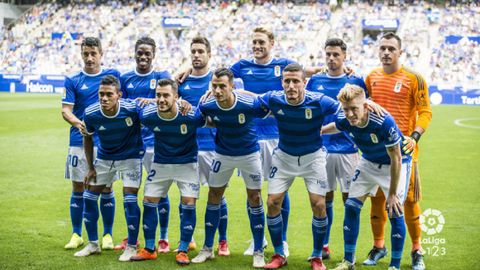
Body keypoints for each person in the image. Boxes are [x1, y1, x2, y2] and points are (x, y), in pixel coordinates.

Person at [253, 63, 339, 270]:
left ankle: (317, 256)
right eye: (287, 81)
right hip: (284, 158)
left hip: (313, 158)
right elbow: (249, 101)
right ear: (282, 83)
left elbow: (345, 109)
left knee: (318, 204)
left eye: (295, 81)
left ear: (304, 83)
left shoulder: (319, 101)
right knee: (273, 202)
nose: (290, 86)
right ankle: (279, 254)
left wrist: (369, 105)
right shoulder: (274, 98)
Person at [322, 84, 411, 270]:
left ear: (366, 106)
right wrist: (319, 131)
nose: (350, 114)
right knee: (352, 207)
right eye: (346, 109)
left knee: (395, 210)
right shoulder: (345, 117)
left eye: (354, 108)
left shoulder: (382, 121)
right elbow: (337, 126)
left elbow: (396, 156)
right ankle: (348, 261)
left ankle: (395, 265)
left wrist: (393, 194)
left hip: (395, 164)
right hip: (368, 162)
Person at [363, 32, 432, 270]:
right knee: (377, 200)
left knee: (409, 202)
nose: (386, 52)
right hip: (376, 150)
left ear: (400, 52)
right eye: (382, 48)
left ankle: (416, 250)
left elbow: (425, 112)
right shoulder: (370, 77)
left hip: (404, 151)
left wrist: (415, 137)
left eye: (391, 49)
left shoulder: (415, 78)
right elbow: (361, 103)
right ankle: (379, 246)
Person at [192, 68, 270, 268]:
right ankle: (208, 248)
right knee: (213, 195)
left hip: (249, 153)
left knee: (255, 197)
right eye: (214, 86)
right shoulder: (207, 104)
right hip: (223, 154)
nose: (217, 91)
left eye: (222, 86)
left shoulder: (248, 103)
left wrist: (249, 94)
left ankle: (259, 250)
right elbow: (205, 120)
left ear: (232, 87)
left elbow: (267, 108)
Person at [131, 78, 205, 265]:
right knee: (148, 201)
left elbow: (205, 119)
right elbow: (133, 107)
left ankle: (183, 250)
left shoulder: (190, 115)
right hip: (161, 163)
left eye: (166, 95)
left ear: (176, 97)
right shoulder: (148, 115)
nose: (161, 99)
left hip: (187, 164)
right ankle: (149, 248)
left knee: (188, 202)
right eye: (158, 95)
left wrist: (184, 104)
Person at [306, 37, 367, 260]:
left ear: (344, 56)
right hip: (321, 150)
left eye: (336, 55)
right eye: (328, 55)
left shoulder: (356, 81)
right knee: (325, 198)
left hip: (349, 150)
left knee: (349, 201)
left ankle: (348, 252)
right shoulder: (315, 81)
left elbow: (364, 112)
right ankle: (325, 245)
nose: (331, 59)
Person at [74, 75, 143, 262]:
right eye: (101, 94)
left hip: (130, 157)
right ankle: (93, 244)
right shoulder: (91, 113)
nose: (104, 98)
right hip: (104, 158)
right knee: (89, 197)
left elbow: (154, 111)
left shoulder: (131, 109)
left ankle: (131, 246)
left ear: (119, 95)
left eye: (109, 94)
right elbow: (87, 137)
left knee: (130, 200)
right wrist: (90, 168)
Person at [61, 37, 120, 250]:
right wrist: (80, 124)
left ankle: (107, 235)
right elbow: (66, 110)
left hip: (106, 142)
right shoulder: (73, 80)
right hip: (79, 141)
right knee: (78, 186)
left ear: (101, 54)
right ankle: (77, 234)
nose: (89, 58)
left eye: (93, 53)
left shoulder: (111, 77)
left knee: (106, 187)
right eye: (86, 53)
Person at [115, 37, 172, 253]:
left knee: (160, 193)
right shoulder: (126, 78)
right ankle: (133, 236)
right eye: (140, 52)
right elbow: (121, 104)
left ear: (154, 54)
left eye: (147, 53)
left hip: (155, 143)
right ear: (134, 53)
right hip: (131, 143)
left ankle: (163, 238)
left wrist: (152, 102)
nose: (143, 56)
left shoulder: (161, 77)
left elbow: (171, 99)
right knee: (129, 192)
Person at [178, 36, 229, 256]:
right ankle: (187, 240)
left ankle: (223, 241)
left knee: (218, 195)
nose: (197, 55)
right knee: (186, 196)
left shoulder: (216, 80)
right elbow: (166, 97)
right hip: (188, 147)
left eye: (200, 51)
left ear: (209, 54)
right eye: (193, 52)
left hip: (214, 147)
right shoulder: (182, 81)